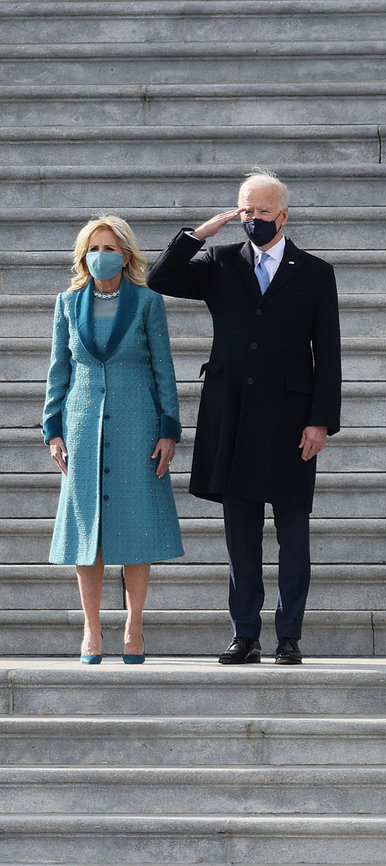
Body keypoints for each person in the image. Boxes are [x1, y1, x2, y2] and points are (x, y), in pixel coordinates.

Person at [146, 171, 342, 666]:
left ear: (284, 215)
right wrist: (199, 235)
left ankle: (290, 635)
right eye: (245, 211)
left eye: (262, 212)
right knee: (240, 535)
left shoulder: (315, 272)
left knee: (293, 533)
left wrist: (321, 421)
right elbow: (159, 278)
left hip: (292, 419)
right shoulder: (220, 261)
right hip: (231, 414)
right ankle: (245, 633)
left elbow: (330, 353)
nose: (252, 220)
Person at [43, 215, 184, 664]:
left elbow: (164, 368)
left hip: (137, 424)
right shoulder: (68, 303)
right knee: (89, 531)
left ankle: (134, 625)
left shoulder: (147, 302)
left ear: (125, 255)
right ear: (83, 255)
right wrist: (53, 429)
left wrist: (168, 428)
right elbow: (58, 372)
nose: (100, 256)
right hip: (83, 425)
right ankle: (91, 629)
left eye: (108, 248)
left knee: (135, 526)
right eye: (93, 248)